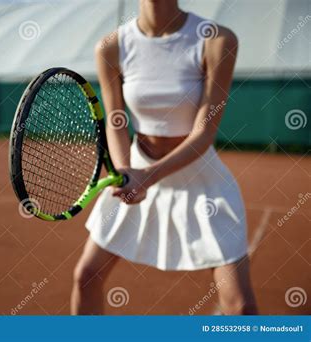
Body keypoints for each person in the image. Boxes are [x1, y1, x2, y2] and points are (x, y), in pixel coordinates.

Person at [71, 0, 257, 315]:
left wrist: (148, 177)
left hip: (202, 180)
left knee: (239, 306)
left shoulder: (216, 39)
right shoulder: (110, 47)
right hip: (137, 170)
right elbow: (116, 122)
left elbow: (204, 133)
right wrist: (127, 170)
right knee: (85, 277)